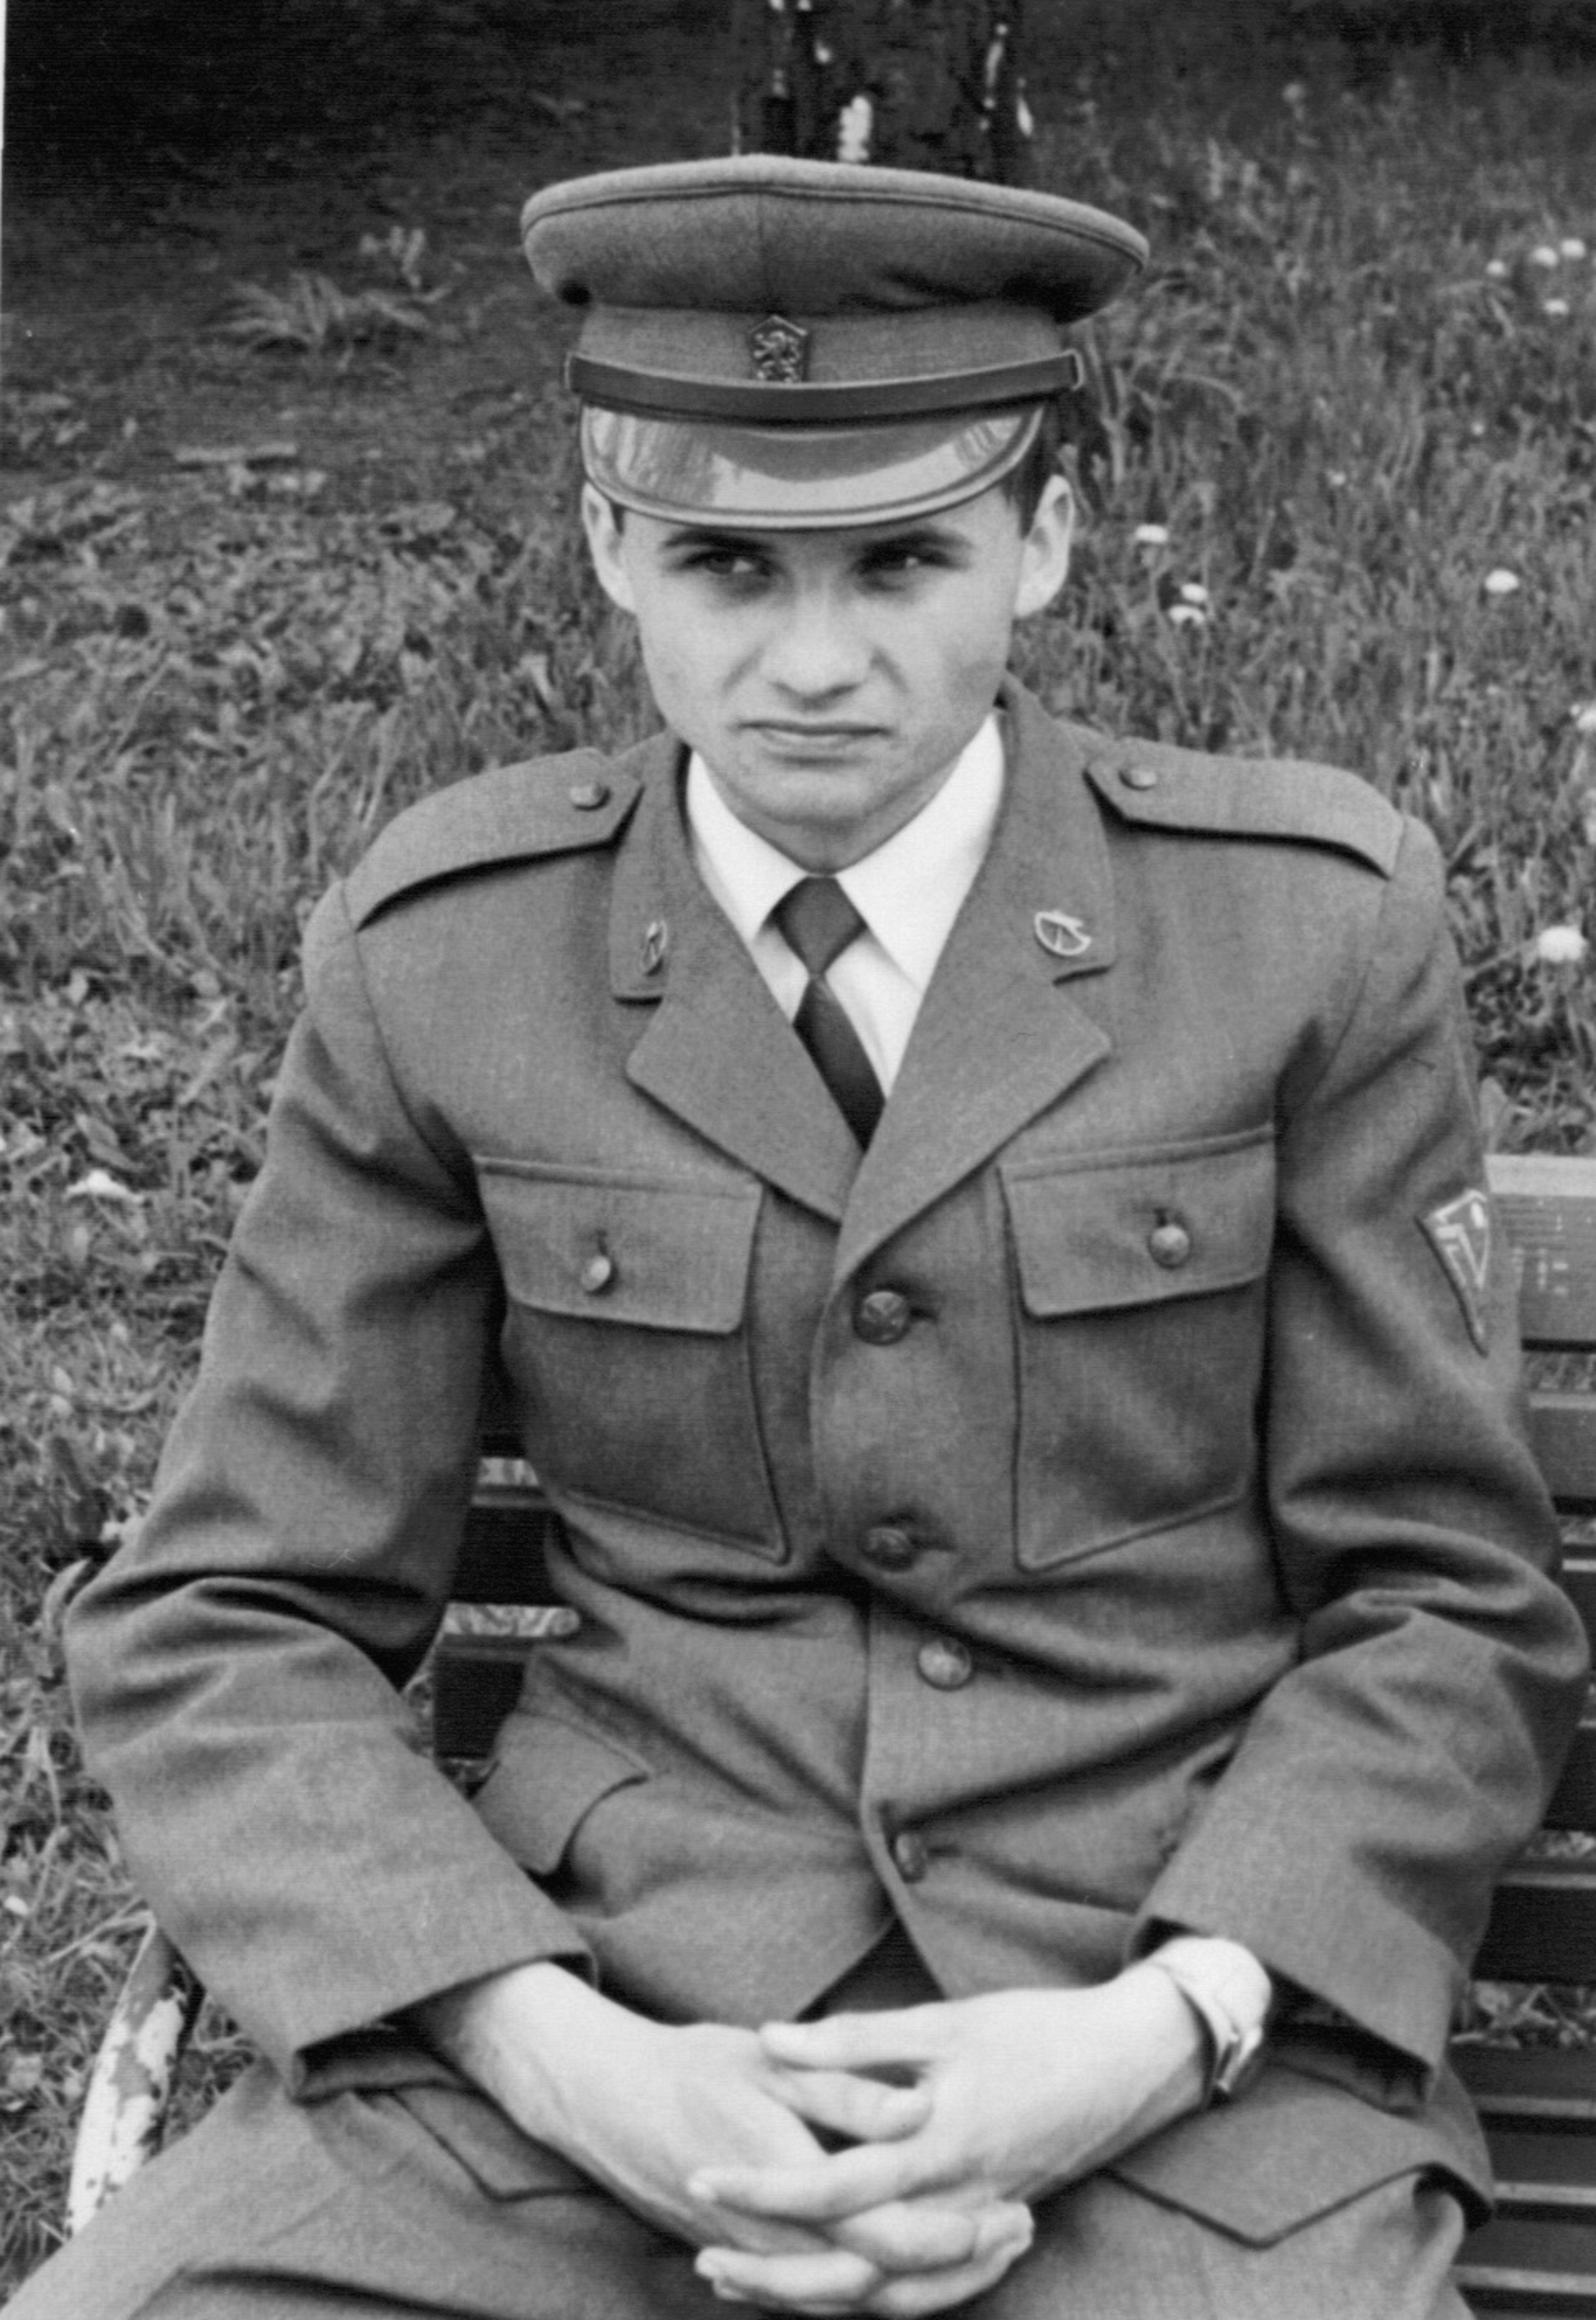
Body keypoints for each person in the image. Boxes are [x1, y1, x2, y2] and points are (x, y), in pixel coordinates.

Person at [15, 155, 1588, 2320]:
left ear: (1043, 540)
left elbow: (1444, 1599)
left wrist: (1155, 2033)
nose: (816, 664)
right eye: (729, 563)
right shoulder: (448, 960)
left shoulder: (1300, 938)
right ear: (607, 544)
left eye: (904, 559)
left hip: (1159, 2071)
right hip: (584, 2055)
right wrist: (556, 2055)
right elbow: (229, 1612)